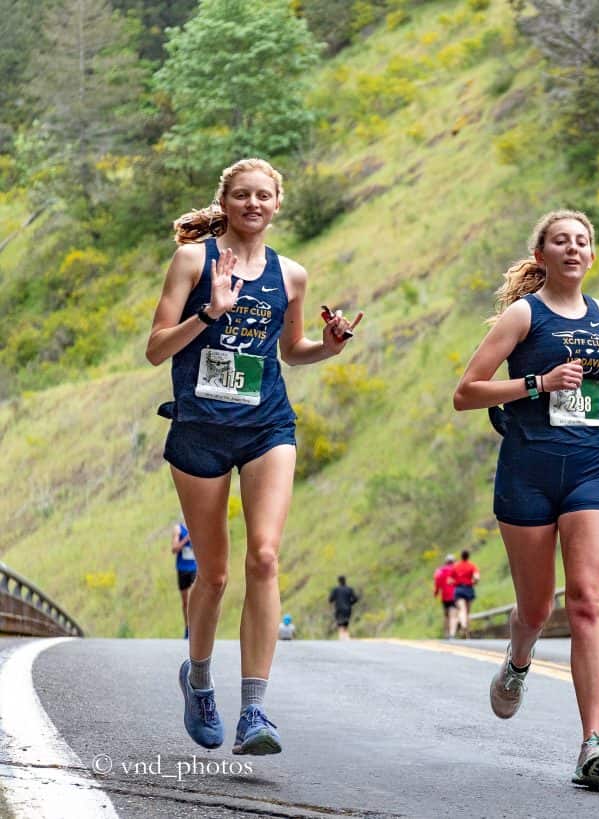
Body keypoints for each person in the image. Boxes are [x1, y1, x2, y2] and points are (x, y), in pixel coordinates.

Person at [146, 157, 362, 757]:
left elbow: (291, 351)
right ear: (227, 200)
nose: (252, 204)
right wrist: (210, 311)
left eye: (263, 196)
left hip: (267, 425)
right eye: (241, 195)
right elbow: (155, 349)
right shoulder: (193, 261)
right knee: (212, 576)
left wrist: (331, 346)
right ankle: (199, 679)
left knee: (264, 558)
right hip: (200, 431)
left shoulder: (291, 274)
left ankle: (256, 710)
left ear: (276, 204)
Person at [453, 210, 599, 789]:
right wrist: (537, 384)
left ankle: (592, 741)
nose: (573, 249)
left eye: (582, 242)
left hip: (591, 467)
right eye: (561, 241)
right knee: (538, 608)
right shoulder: (522, 315)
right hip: (527, 471)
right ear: (541, 254)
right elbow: (465, 393)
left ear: (593, 255)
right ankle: (520, 659)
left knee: (588, 603)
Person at [171, 521, 197, 638]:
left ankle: (195, 628)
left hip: (195, 568)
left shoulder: (199, 526)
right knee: (185, 602)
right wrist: (187, 539)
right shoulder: (178, 529)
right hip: (182, 569)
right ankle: (187, 627)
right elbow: (174, 549)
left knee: (194, 599)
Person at [450, 549, 480, 639]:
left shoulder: (456, 566)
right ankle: (466, 633)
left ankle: (463, 625)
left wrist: (455, 582)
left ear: (461, 556)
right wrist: (474, 582)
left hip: (459, 589)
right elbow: (477, 577)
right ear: (468, 556)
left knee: (462, 609)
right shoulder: (472, 566)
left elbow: (450, 580)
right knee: (467, 611)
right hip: (469, 589)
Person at [433, 554, 457, 639]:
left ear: (446, 561)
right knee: (453, 615)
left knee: (446, 616)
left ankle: (446, 633)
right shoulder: (456, 569)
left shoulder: (440, 570)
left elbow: (437, 583)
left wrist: (435, 593)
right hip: (454, 595)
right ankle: (452, 634)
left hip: (444, 596)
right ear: (454, 561)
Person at [328, 575, 359, 639]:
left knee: (340, 624)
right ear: (345, 581)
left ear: (338, 581)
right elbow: (356, 599)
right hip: (347, 609)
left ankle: (342, 638)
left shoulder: (335, 589)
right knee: (346, 624)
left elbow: (330, 600)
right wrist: (350, 603)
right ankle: (346, 637)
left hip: (338, 609)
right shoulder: (350, 589)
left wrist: (335, 600)